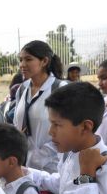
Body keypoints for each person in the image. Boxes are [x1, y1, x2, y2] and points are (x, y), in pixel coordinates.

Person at [13, 40, 67, 173]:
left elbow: (67, 130)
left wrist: (39, 156)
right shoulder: (22, 89)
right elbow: (17, 123)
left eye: (28, 59)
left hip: (52, 168)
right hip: (25, 165)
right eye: (20, 60)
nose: (22, 65)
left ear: (44, 61)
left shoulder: (60, 89)